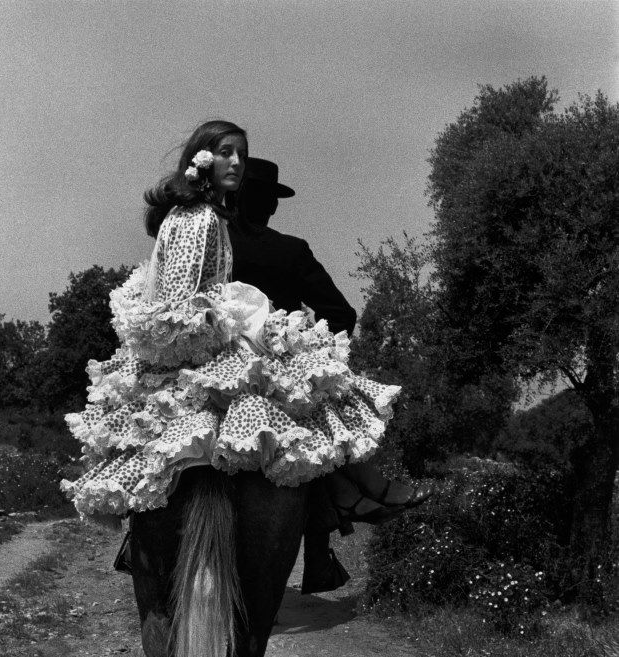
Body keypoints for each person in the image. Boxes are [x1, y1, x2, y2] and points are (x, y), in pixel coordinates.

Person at [62, 122, 403, 565]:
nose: (236, 166)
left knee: (157, 440)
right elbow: (184, 304)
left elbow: (172, 300)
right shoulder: (251, 237)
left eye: (240, 159)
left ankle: (138, 538)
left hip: (206, 342)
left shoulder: (211, 224)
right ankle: (335, 521)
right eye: (227, 155)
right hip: (220, 344)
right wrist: (302, 339)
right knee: (313, 423)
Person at [229, 157, 432, 592]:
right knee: (318, 439)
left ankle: (138, 543)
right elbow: (341, 314)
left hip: (212, 371)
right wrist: (308, 349)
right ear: (271, 206)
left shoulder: (213, 246)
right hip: (273, 371)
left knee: (160, 430)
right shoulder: (290, 251)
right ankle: (321, 550)